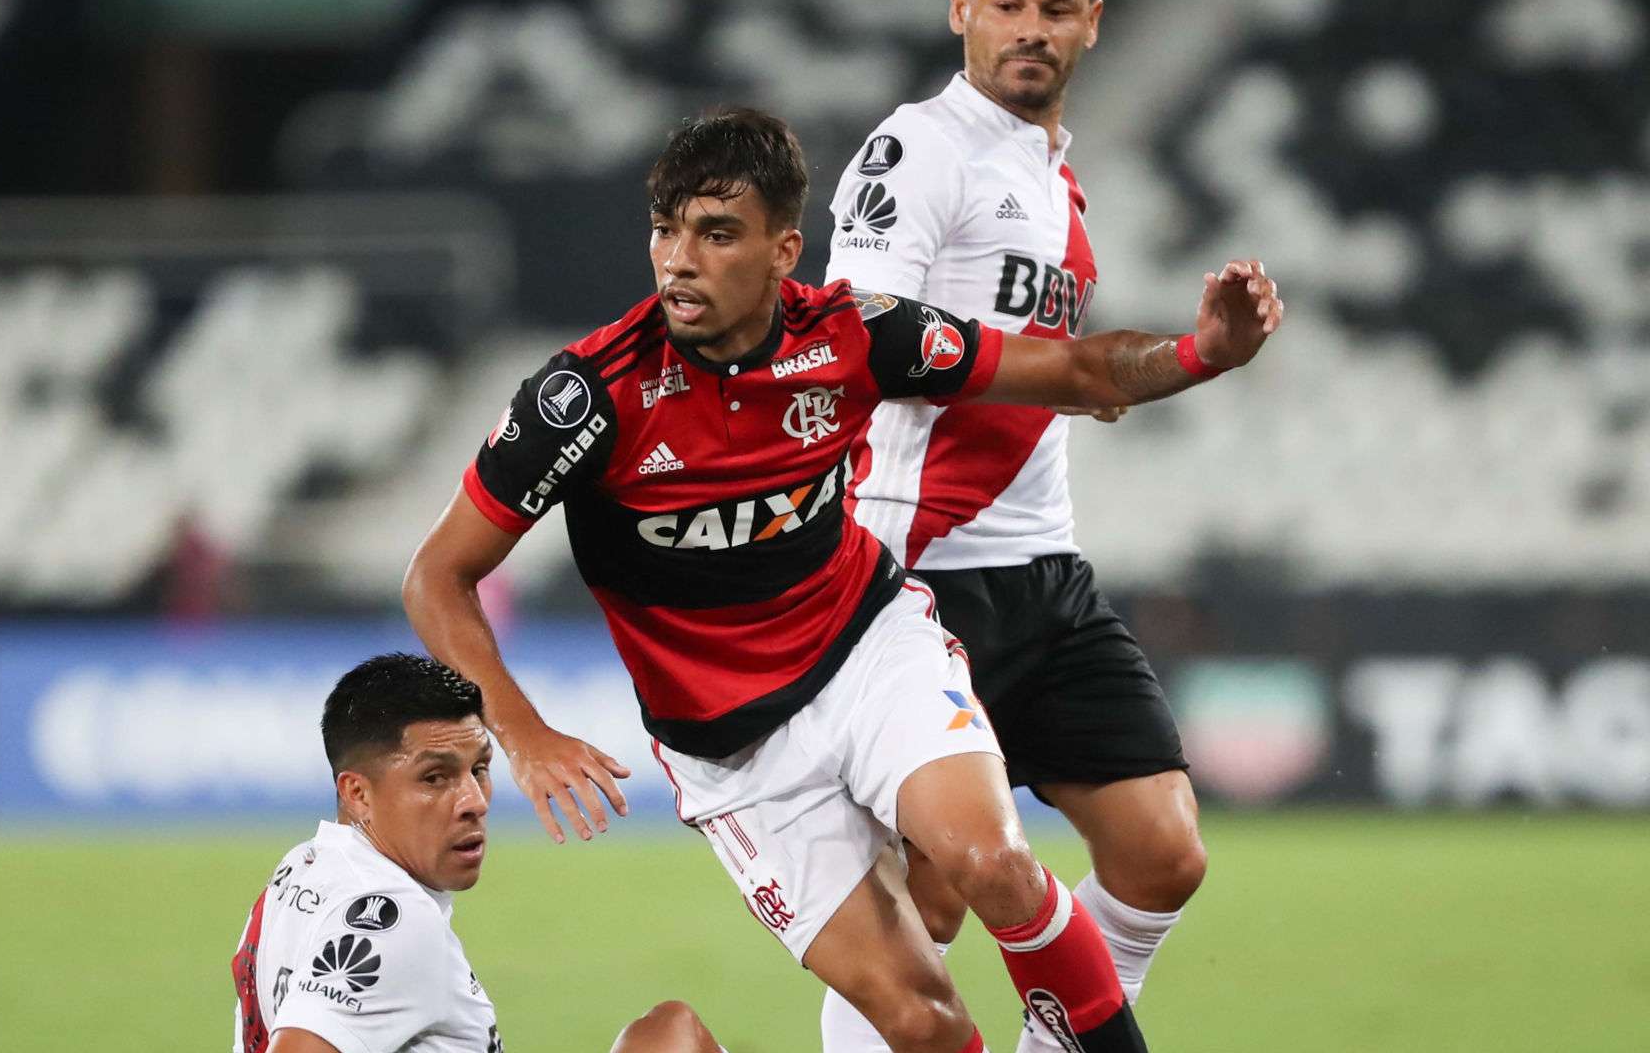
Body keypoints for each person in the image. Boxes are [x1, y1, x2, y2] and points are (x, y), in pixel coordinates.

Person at [404, 108, 1282, 1053]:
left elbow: (1069, 366)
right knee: (927, 1024)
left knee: (996, 864)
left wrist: (1203, 355)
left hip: (869, 653)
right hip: (737, 753)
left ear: (785, 250)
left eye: (717, 231)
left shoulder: (854, 336)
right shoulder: (589, 398)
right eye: (666, 229)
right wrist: (523, 731)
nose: (679, 260)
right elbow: (437, 577)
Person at [821, 0, 1244, 1050]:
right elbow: (857, 333)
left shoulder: (1053, 180)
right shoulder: (917, 150)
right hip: (914, 567)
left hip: (1043, 566)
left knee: (1162, 851)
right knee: (931, 898)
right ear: (960, 8)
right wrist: (1058, 372)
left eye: (1056, 8)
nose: (1031, 30)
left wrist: (1199, 357)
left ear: (1092, 24)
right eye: (1008, 3)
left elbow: (1063, 368)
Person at [230, 653, 723, 1053]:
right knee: (674, 1039)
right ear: (358, 793)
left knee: (665, 1032)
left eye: (480, 769)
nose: (473, 801)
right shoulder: (393, 919)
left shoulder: (301, 867)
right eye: (435, 778)